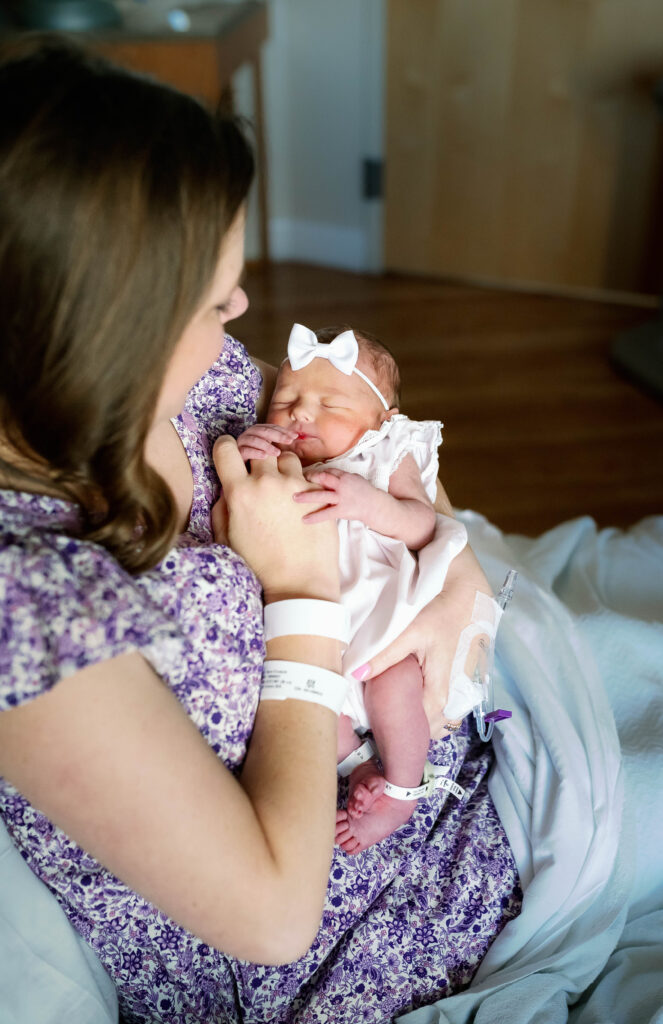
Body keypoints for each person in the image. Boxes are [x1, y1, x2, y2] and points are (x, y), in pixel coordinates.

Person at [0, 36, 521, 1024]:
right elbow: (277, 912)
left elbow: (391, 455)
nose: (241, 311)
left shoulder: (193, 379)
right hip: (348, 912)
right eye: (212, 297)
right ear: (101, 331)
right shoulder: (28, 605)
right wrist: (302, 591)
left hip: (460, 754)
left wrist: (457, 574)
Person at [236, 323, 473, 853]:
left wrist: (372, 505)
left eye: (330, 404)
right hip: (320, 627)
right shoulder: (282, 458)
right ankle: (361, 766)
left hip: (383, 615)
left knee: (394, 689)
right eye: (287, 398)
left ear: (380, 421)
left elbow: (423, 525)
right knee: (322, 712)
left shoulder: (388, 454)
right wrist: (251, 448)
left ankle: (403, 789)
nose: (300, 413)